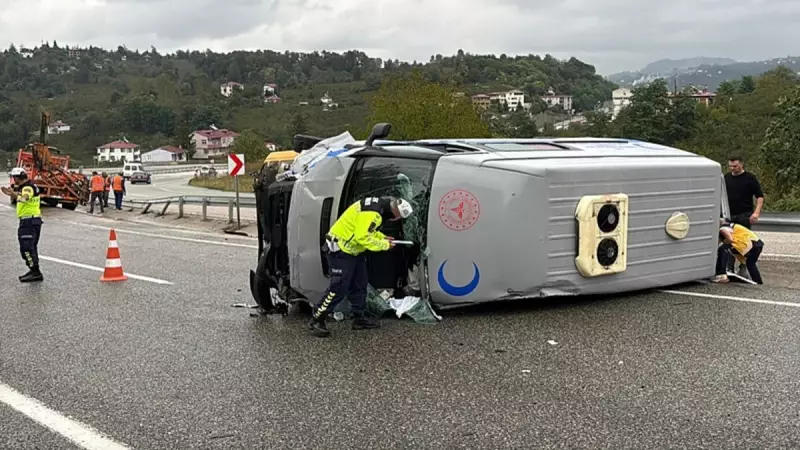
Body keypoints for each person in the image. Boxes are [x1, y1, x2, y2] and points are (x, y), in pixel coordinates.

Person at [308, 196, 414, 337]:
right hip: (341, 250)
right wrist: (384, 245)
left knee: (359, 284)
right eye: (398, 217)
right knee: (339, 287)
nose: (396, 220)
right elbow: (362, 237)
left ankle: (359, 318)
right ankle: (317, 318)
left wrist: (381, 237)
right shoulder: (374, 213)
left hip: (353, 250)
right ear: (396, 214)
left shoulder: (378, 207)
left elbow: (367, 229)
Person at [1, 168, 44, 282]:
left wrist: (12, 194)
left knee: (26, 249)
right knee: (31, 248)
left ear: (17, 177)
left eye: (13, 177)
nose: (13, 180)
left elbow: (25, 198)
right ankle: (34, 270)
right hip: (33, 221)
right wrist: (13, 192)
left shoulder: (28, 188)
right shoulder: (28, 186)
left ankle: (35, 272)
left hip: (28, 222)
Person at [724, 156, 764, 274]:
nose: (732, 168)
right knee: (729, 241)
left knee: (744, 242)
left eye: (735, 166)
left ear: (741, 164)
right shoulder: (726, 178)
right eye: (730, 166)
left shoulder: (750, 178)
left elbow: (759, 196)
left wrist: (756, 213)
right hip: (729, 215)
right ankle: (728, 267)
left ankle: (743, 266)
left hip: (744, 215)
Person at [711, 219, 764, 284]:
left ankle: (721, 274)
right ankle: (758, 281)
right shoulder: (731, 226)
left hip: (749, 244)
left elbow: (730, 239)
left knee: (723, 248)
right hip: (757, 243)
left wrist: (722, 242)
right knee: (750, 264)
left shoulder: (722, 229)